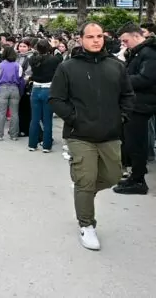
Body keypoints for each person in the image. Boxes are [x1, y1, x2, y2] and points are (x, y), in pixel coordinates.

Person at [49, 22, 134, 251]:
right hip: (80, 135)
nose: (96, 40)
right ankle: (86, 224)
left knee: (113, 176)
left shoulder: (116, 66)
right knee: (86, 179)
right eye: (90, 37)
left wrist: (121, 118)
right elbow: (56, 99)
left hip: (110, 134)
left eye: (99, 36)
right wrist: (75, 118)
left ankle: (83, 191)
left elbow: (128, 95)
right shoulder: (67, 67)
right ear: (81, 39)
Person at [113, 23, 156, 195]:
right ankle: (135, 176)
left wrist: (121, 80)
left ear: (136, 36)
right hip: (136, 103)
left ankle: (139, 180)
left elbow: (146, 78)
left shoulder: (149, 53)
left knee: (137, 143)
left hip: (142, 104)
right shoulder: (140, 52)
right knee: (132, 142)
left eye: (126, 41)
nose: (124, 44)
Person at [28, 40, 62, 152]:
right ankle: (46, 146)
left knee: (34, 119)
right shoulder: (53, 60)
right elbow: (60, 57)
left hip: (35, 88)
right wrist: (54, 47)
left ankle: (32, 144)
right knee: (47, 119)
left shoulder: (32, 59)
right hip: (48, 89)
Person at [0, 46, 25, 141]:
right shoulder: (18, 66)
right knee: (14, 114)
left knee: (1, 113)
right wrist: (20, 92)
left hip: (2, 89)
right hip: (15, 89)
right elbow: (21, 81)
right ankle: (14, 135)